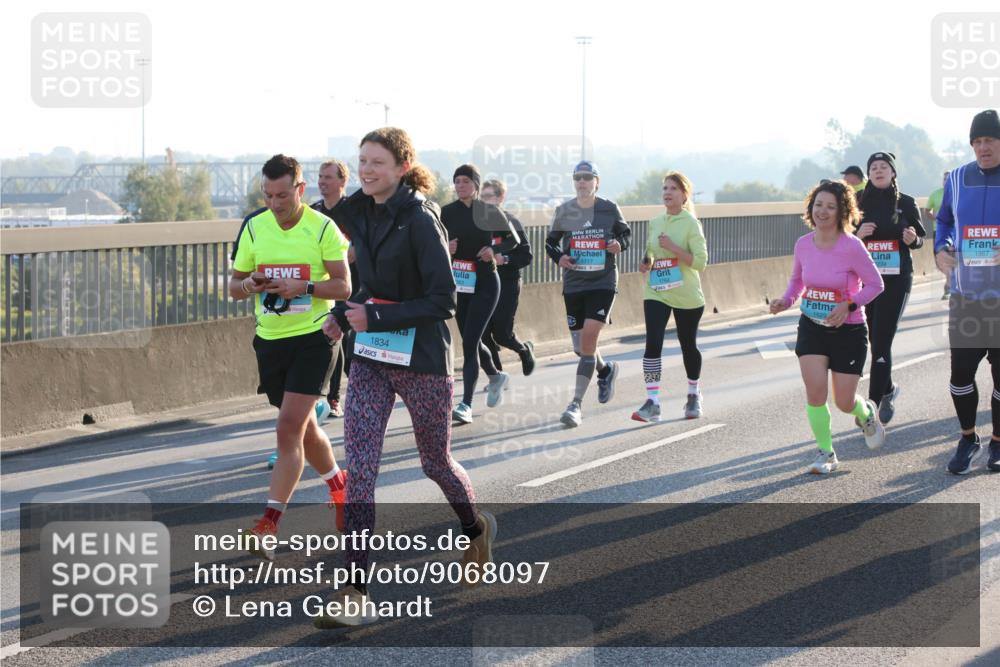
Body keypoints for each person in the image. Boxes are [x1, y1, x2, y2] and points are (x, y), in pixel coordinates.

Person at [316, 128, 495, 627]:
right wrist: (342, 312)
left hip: (422, 360)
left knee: (434, 463)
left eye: (377, 162)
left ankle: (475, 527)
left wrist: (373, 317)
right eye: (362, 161)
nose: (367, 169)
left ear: (400, 167)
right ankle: (354, 592)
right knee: (362, 474)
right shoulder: (359, 211)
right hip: (372, 359)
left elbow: (444, 300)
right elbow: (367, 282)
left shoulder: (420, 220)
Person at [229, 154, 352, 558]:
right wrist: (251, 283)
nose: (275, 203)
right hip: (270, 339)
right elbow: (233, 287)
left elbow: (343, 286)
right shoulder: (254, 226)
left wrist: (304, 288)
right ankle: (340, 487)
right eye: (268, 195)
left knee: (287, 429)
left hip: (314, 339)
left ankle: (268, 524)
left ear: (300, 190)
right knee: (302, 429)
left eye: (282, 195)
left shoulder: (322, 228)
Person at [770, 179, 886, 474]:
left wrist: (848, 305)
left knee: (844, 402)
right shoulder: (803, 244)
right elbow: (797, 281)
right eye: (818, 204)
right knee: (815, 393)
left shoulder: (852, 246)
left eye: (830, 207)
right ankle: (826, 452)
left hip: (848, 331)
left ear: (841, 211)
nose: (823, 211)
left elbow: (875, 284)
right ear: (811, 208)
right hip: (812, 327)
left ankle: (866, 413)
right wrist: (786, 300)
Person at [934, 109, 1000, 474]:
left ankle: (998, 442)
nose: (982, 147)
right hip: (965, 294)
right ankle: (967, 436)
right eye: (977, 141)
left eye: (989, 139)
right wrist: (940, 249)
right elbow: (943, 219)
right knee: (960, 374)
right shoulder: (958, 178)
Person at [545, 160, 631, 427]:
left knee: (589, 340)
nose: (582, 182)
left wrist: (619, 245)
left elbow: (626, 235)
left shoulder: (608, 208)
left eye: (587, 177)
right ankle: (605, 371)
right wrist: (559, 258)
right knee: (580, 347)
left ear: (597, 182)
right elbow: (550, 243)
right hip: (574, 284)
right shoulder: (565, 210)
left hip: (603, 282)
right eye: (578, 178)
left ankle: (576, 405)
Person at [441, 165, 523, 424]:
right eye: (457, 181)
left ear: (476, 185)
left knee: (469, 342)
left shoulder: (488, 211)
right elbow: (433, 242)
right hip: (460, 283)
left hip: (486, 282)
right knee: (471, 339)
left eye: (466, 181)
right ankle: (496, 376)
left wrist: (491, 248)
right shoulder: (447, 212)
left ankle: (465, 403)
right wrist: (447, 246)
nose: (461, 185)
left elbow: (513, 241)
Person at [854, 151, 925, 424]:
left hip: (897, 280)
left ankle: (870, 409)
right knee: (875, 340)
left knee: (882, 341)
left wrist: (912, 239)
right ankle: (889, 390)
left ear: (893, 173)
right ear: (868, 174)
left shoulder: (906, 203)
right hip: (867, 279)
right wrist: (857, 235)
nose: (879, 170)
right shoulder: (857, 202)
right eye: (873, 167)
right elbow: (843, 238)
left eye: (884, 167)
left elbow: (920, 238)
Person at [633, 171, 708, 422]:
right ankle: (653, 401)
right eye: (665, 188)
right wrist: (646, 262)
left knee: (688, 345)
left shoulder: (690, 223)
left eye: (673, 188)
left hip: (686, 294)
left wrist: (674, 249)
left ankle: (693, 393)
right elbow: (651, 252)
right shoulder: (655, 222)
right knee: (653, 343)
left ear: (684, 195)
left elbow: (700, 262)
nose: (667, 192)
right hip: (657, 291)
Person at [312, 159, 357, 419]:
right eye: (320, 177)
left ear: (342, 181)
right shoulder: (314, 212)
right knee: (332, 337)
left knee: (343, 340)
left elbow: (368, 238)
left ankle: (336, 397)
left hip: (351, 285)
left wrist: (355, 250)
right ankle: (330, 398)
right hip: (323, 286)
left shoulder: (353, 210)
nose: (322, 182)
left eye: (328, 177)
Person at [479, 178, 536, 377]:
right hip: (483, 283)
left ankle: (524, 350)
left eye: (489, 196)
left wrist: (505, 258)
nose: (484, 201)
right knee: (483, 333)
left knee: (502, 334)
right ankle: (497, 376)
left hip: (507, 282)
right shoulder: (478, 223)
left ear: (501, 198)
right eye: (482, 196)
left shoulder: (511, 222)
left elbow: (526, 255)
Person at [926, 171, 950, 299]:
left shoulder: (958, 192)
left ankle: (949, 285)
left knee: (951, 258)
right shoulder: (936, 194)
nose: (946, 181)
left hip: (954, 231)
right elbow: (927, 210)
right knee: (938, 261)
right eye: (944, 178)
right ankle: (950, 279)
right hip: (938, 230)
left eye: (949, 178)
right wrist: (933, 216)